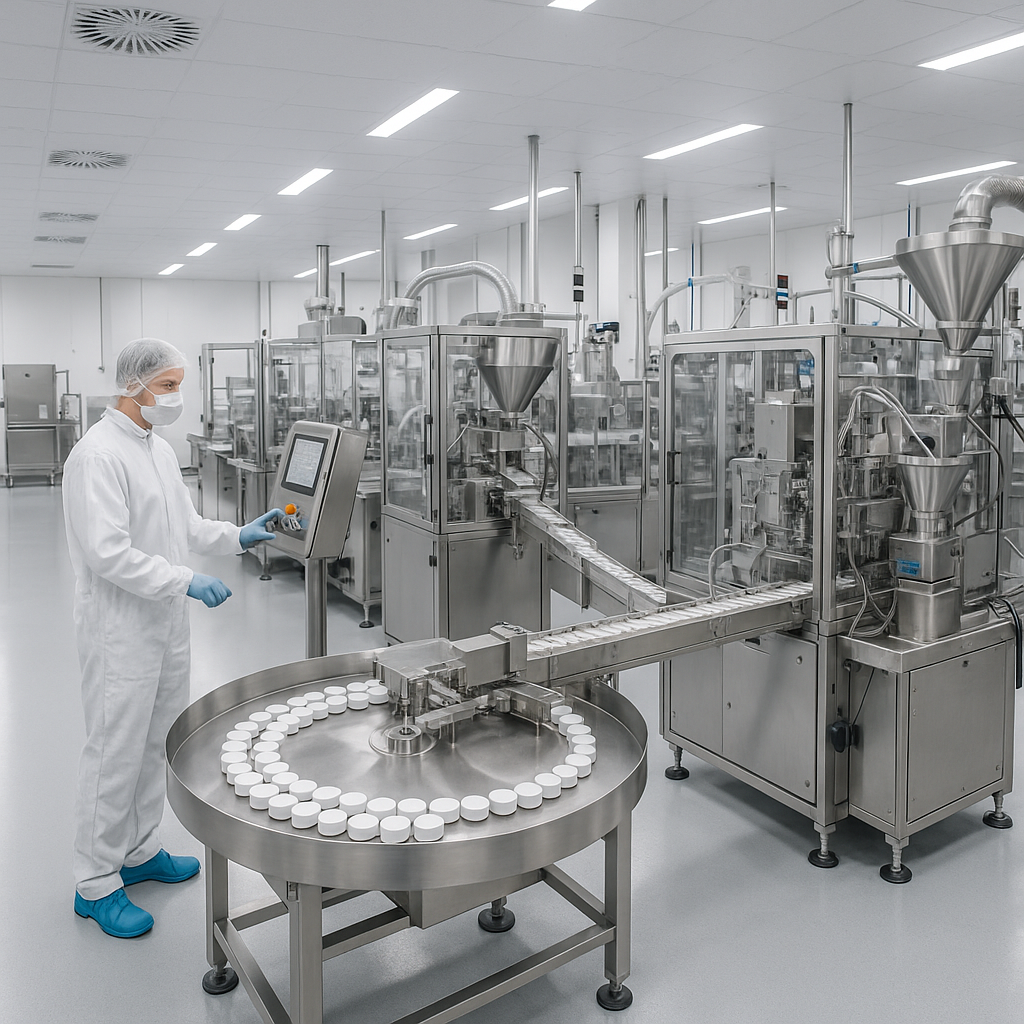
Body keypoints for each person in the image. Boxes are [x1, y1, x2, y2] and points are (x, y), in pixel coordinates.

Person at [62, 338, 283, 938]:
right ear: (133, 385)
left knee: (155, 741)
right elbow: (109, 554)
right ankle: (96, 881)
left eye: (179, 384)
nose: (176, 396)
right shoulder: (97, 456)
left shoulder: (155, 448)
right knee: (114, 749)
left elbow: (183, 527)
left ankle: (138, 852)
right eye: (167, 385)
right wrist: (186, 580)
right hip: (120, 630)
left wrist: (239, 536)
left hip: (163, 625)